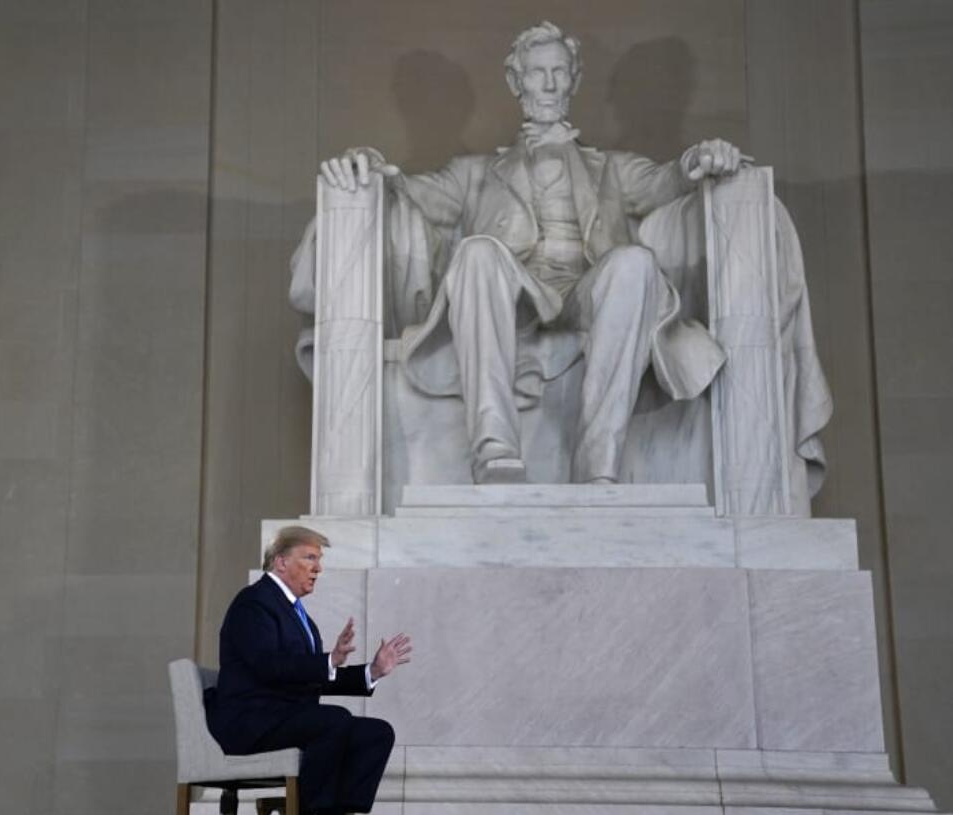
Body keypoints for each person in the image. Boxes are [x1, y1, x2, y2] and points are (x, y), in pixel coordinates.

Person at [319, 21, 744, 485]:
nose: (549, 83)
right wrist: (368, 163)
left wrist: (700, 158)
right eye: (537, 72)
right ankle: (495, 449)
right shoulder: (475, 173)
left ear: (574, 80)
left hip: (587, 291)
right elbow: (408, 190)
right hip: (516, 294)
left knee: (635, 263)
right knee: (478, 251)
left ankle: (598, 462)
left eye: (559, 72)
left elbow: (667, 182)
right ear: (515, 82)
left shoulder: (611, 169)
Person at [205, 526, 411, 815]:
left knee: (376, 733)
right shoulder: (253, 603)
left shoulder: (300, 617)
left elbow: (312, 677)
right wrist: (327, 660)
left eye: (319, 559)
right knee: (333, 720)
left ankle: (336, 811)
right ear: (281, 561)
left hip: (285, 718)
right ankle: (309, 811)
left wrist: (372, 671)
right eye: (310, 558)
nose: (318, 568)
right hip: (250, 722)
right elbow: (267, 665)